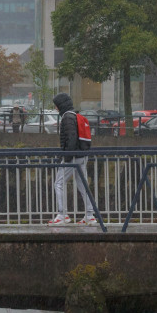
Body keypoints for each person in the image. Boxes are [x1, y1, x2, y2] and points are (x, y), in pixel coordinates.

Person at [48, 93, 97, 226]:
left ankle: (62, 214)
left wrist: (67, 157)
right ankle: (90, 215)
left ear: (61, 105)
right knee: (83, 185)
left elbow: (71, 137)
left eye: (56, 105)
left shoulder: (67, 117)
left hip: (73, 157)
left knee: (58, 183)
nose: (55, 108)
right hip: (81, 156)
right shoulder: (74, 115)